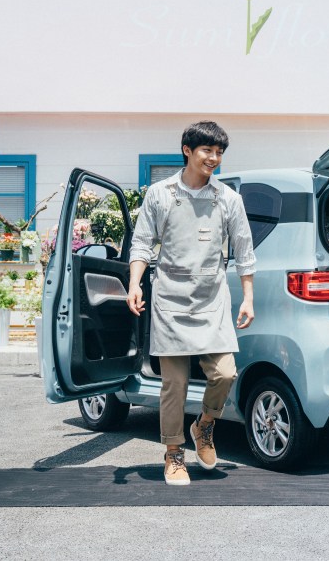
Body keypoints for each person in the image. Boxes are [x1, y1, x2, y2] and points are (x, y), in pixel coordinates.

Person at [127, 121, 256, 485]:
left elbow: (245, 252)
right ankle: (173, 454)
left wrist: (247, 298)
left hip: (212, 299)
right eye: (207, 151)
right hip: (169, 299)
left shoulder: (229, 199)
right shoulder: (160, 194)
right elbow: (141, 244)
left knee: (225, 373)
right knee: (175, 384)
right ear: (187, 150)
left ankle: (205, 426)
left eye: (219, 153)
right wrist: (135, 284)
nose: (214, 159)